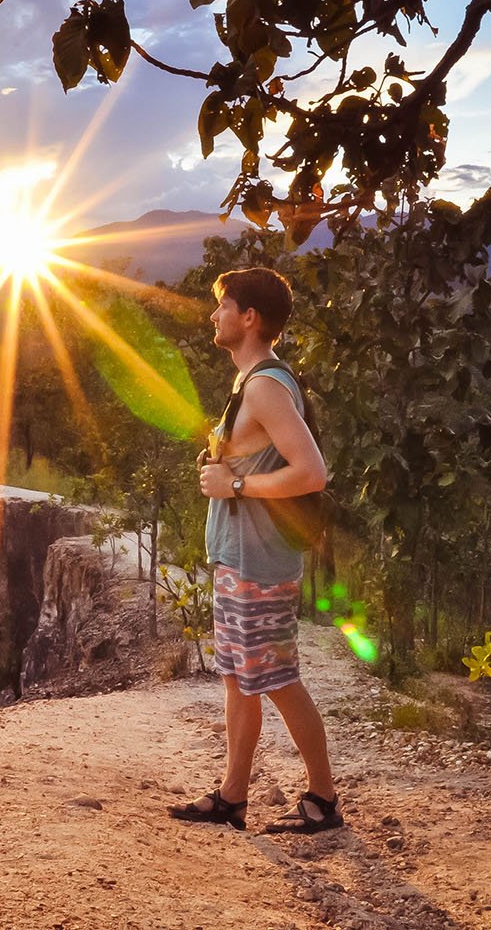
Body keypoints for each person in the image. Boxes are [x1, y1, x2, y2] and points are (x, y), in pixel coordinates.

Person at [166, 266, 341, 835]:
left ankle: (323, 800)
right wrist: (223, 469)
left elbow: (312, 472)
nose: (213, 315)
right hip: (238, 558)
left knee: (278, 678)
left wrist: (236, 485)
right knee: (238, 679)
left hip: (261, 564)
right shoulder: (248, 384)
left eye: (223, 306)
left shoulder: (266, 385)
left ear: (250, 318)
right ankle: (231, 798)